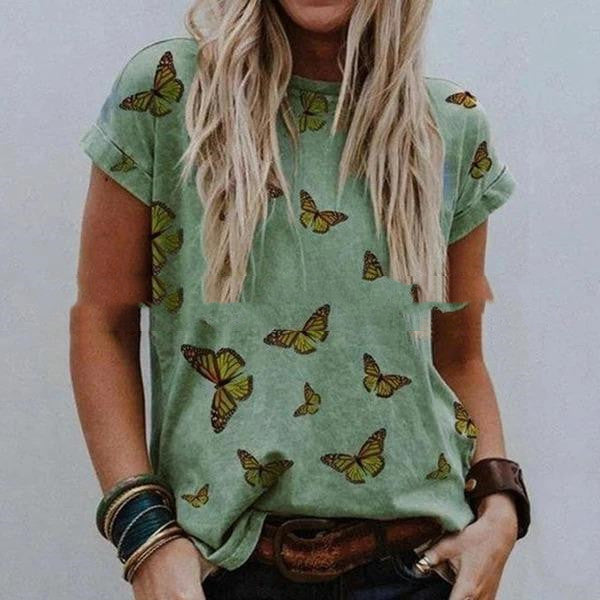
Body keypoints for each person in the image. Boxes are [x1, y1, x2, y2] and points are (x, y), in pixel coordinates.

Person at [71, 1, 531, 599]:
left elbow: (459, 357)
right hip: (227, 569)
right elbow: (102, 324)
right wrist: (144, 537)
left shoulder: (449, 125)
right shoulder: (169, 92)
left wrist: (501, 508)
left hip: (416, 567)